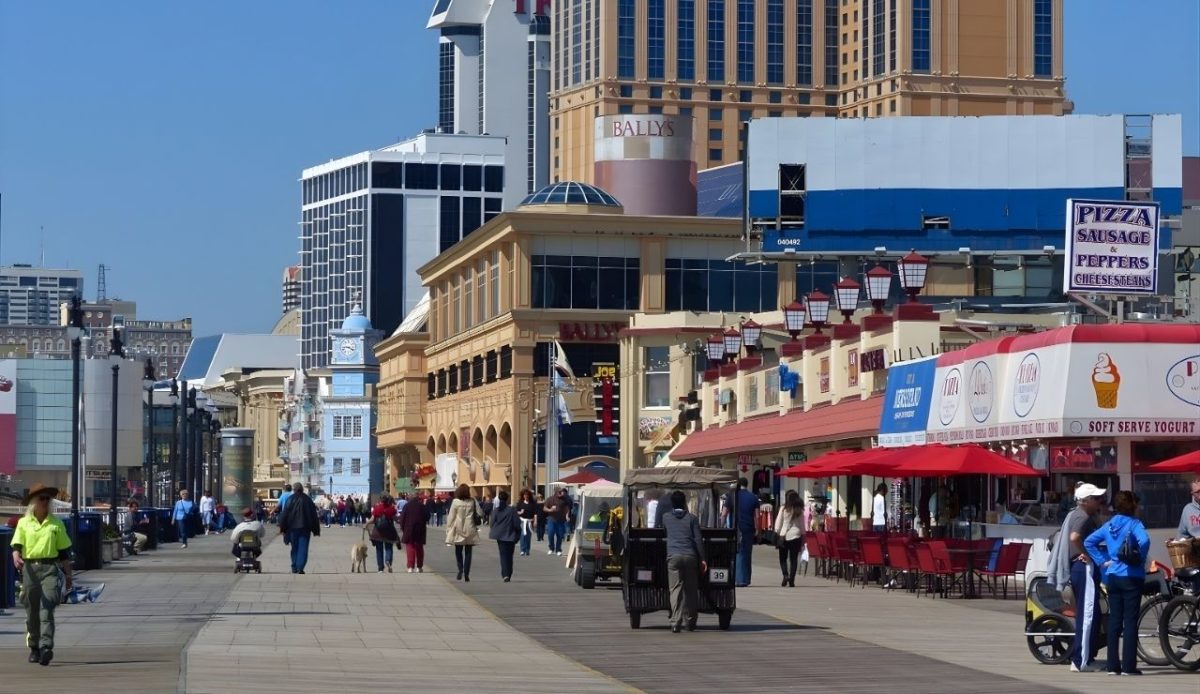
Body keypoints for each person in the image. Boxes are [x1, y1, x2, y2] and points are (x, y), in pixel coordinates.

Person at [1085, 490, 1151, 676]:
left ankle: (1113, 666)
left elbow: (1089, 542)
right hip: (1131, 576)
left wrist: (1101, 561)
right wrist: (1140, 558)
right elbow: (1145, 540)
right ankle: (1128, 666)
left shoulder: (1109, 524)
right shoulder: (1135, 524)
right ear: (1133, 506)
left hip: (1112, 575)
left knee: (1115, 620)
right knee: (1130, 621)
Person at [1045, 482, 1106, 673]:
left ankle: (1086, 657)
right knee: (1087, 614)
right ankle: (1080, 660)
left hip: (1079, 568)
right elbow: (1074, 537)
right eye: (1095, 498)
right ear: (1085, 501)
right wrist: (1086, 553)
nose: (1099, 501)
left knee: (1090, 612)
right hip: (1083, 568)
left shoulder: (1076, 514)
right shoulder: (1083, 516)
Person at [10, 483, 73, 665]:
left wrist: (68, 575)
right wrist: (16, 556)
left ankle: (46, 647)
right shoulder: (24, 523)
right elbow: (17, 545)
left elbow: (63, 553)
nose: (45, 502)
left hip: (49, 568)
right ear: (33, 502)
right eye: (42, 498)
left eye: (47, 499)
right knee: (32, 610)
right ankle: (34, 647)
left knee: (47, 607)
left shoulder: (56, 523)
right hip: (30, 569)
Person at [662, 490, 706, 633]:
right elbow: (698, 540)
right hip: (690, 556)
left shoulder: (666, 517)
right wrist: (702, 558)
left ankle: (676, 622)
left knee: (676, 589)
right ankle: (690, 621)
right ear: (685, 502)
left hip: (673, 556)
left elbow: (664, 532)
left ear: (672, 503)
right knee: (691, 590)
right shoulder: (692, 519)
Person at [721, 477, 759, 587]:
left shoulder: (731, 496)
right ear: (747, 484)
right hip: (748, 528)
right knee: (747, 553)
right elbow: (757, 516)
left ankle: (737, 578)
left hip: (735, 527)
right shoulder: (753, 497)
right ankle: (745, 579)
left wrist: (721, 526)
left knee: (737, 552)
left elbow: (724, 513)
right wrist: (758, 530)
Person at [278, 483, 321, 574]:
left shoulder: (290, 499)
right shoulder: (308, 500)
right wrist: (316, 530)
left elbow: (285, 514)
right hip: (305, 527)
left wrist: (282, 527)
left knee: (294, 547)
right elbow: (314, 515)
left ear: (294, 490)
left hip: (292, 528)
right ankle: (300, 567)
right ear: (302, 489)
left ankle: (294, 566)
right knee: (303, 548)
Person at [445, 483, 481, 581]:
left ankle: (460, 569)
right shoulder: (472, 501)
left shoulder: (455, 502)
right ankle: (466, 573)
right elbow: (479, 513)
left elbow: (451, 517)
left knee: (458, 551)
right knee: (468, 552)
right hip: (470, 528)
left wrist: (448, 528)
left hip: (458, 528)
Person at [489, 490, 521, 582]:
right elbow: (516, 523)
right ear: (507, 499)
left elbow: (491, 523)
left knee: (503, 555)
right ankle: (508, 573)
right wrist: (518, 531)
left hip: (500, 536)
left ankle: (505, 574)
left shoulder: (496, 510)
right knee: (509, 555)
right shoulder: (512, 510)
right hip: (510, 535)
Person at [774, 490, 804, 587]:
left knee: (783, 558)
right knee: (793, 559)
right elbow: (802, 525)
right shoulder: (799, 510)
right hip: (796, 535)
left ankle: (785, 575)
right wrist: (803, 536)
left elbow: (778, 522)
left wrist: (777, 532)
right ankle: (792, 580)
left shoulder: (784, 508)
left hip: (784, 536)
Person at [399, 492, 430, 573]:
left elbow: (402, 518)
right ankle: (419, 567)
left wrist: (402, 528)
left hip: (408, 529)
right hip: (420, 529)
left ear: (410, 498)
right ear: (417, 498)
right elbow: (428, 517)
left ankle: (410, 567)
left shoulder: (406, 506)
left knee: (410, 547)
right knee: (419, 548)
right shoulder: (422, 506)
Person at [369, 495, 400, 573]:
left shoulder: (377, 508)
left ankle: (380, 568)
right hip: (389, 532)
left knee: (379, 549)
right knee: (389, 547)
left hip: (378, 532)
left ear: (381, 500)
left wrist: (366, 524)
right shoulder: (391, 509)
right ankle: (388, 560)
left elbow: (372, 519)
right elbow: (396, 519)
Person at [543, 488, 571, 556]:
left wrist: (567, 516)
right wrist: (550, 510)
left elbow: (567, 509)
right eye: (559, 492)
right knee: (550, 533)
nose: (561, 493)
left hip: (561, 520)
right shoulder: (550, 499)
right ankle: (551, 548)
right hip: (551, 519)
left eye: (561, 492)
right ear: (555, 492)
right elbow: (544, 508)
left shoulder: (564, 500)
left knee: (560, 535)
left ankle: (558, 550)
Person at [515, 489, 538, 556]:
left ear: (529, 495)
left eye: (527, 495)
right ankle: (522, 550)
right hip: (522, 521)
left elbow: (535, 513)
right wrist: (520, 512)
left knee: (528, 536)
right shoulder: (520, 503)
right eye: (525, 495)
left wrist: (535, 521)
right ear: (523, 495)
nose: (526, 496)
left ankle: (527, 550)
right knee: (523, 535)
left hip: (530, 521)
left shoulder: (532, 504)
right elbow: (516, 512)